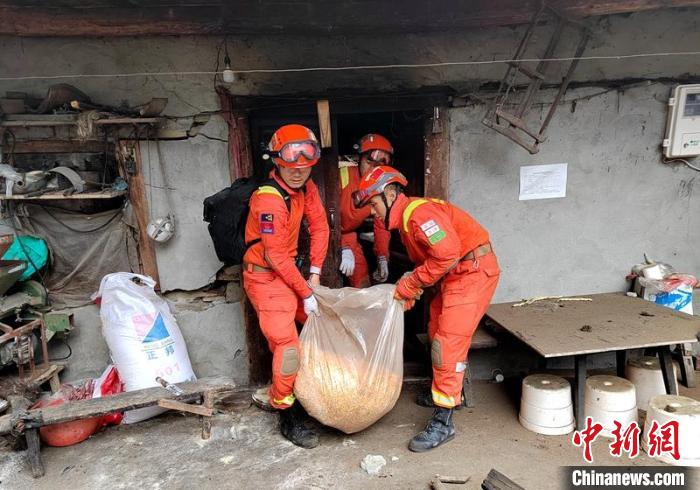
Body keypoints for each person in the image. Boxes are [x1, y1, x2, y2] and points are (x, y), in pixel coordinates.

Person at [353, 166, 500, 452]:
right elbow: (435, 260)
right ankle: (446, 394)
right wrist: (414, 286)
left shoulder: (418, 215)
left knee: (446, 344)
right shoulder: (408, 219)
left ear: (391, 193)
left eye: (373, 203)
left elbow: (445, 255)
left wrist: (410, 285)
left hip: (472, 273)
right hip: (457, 274)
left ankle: (444, 422)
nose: (371, 212)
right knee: (434, 332)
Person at [243, 124, 329, 449]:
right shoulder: (268, 200)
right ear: (277, 162)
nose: (299, 172)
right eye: (292, 166)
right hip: (265, 276)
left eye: (305, 166)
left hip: (290, 272)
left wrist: (316, 273)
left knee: (319, 328)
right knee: (288, 345)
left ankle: (314, 391)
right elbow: (275, 254)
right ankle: (286, 412)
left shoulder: (307, 189)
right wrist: (305, 292)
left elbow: (320, 227)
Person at [338, 134, 393, 287]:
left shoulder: (381, 183)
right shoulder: (344, 177)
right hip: (332, 235)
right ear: (359, 159)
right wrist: (345, 246)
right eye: (369, 161)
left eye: (380, 163)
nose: (373, 169)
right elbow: (343, 221)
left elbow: (382, 222)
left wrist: (382, 257)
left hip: (350, 238)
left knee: (362, 285)